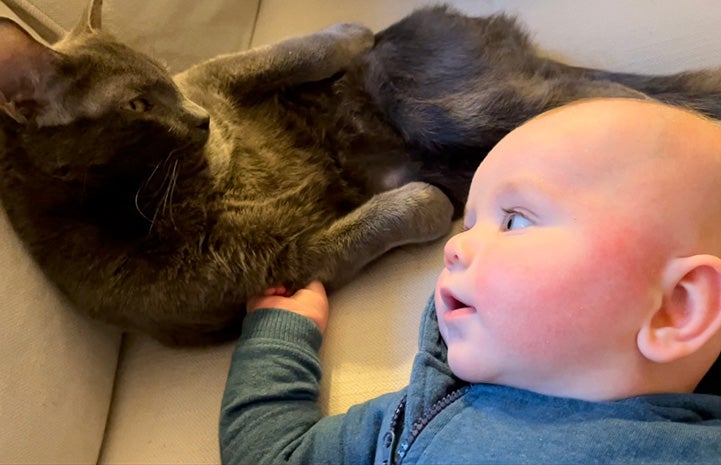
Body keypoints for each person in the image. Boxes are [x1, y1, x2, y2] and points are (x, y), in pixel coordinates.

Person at [219, 98, 721, 464]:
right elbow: (275, 455)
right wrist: (280, 331)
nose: (453, 247)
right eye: (469, 224)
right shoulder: (413, 419)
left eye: (515, 220)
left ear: (677, 307)